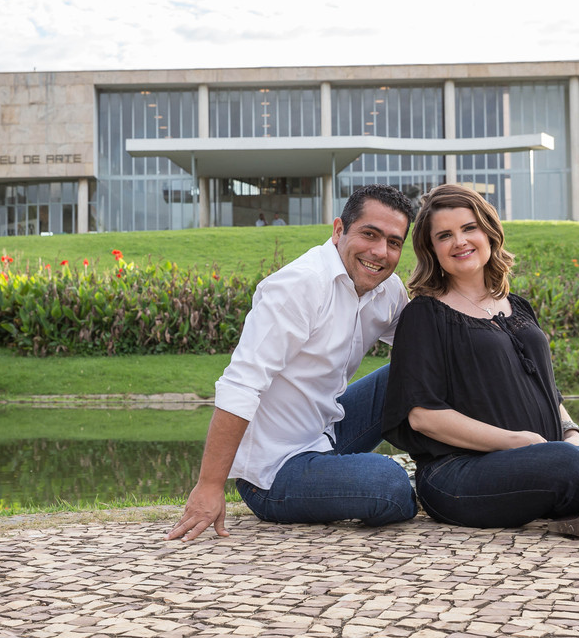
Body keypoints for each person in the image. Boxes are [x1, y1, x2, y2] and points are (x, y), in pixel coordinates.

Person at [382, 184, 579, 541]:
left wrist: (572, 433)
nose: (460, 241)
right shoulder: (424, 315)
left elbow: (547, 389)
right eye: (445, 235)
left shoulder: (517, 306)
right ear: (432, 249)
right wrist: (516, 442)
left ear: (489, 232)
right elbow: (423, 416)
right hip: (460, 474)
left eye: (469, 228)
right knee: (572, 466)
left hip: (553, 452)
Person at [166, 185, 418, 542]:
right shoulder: (300, 286)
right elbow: (241, 384)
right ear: (339, 230)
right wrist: (209, 485)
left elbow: (427, 349)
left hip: (327, 432)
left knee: (409, 370)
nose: (380, 252)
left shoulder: (388, 290)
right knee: (388, 483)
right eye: (369, 234)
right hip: (274, 472)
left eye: (393, 242)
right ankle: (419, 484)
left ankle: (455, 468)